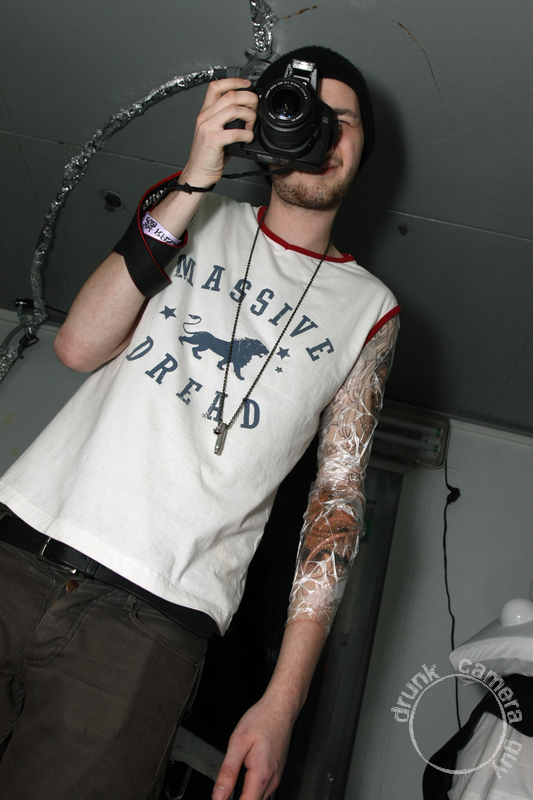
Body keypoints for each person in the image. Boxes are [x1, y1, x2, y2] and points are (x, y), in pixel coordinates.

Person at [0, 46, 399, 800]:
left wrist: (283, 702)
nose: (321, 133)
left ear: (363, 148)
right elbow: (78, 346)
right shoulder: (194, 208)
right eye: (304, 112)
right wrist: (191, 182)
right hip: (18, 548)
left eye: (341, 121)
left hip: (149, 627)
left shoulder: (370, 309)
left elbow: (335, 506)